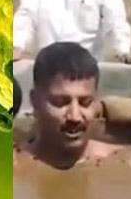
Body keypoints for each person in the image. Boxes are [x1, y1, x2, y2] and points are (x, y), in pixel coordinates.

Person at [15, 42, 121, 170]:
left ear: (97, 102)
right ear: (34, 100)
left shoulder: (123, 163)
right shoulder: (9, 169)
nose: (75, 117)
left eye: (85, 102)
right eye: (60, 102)